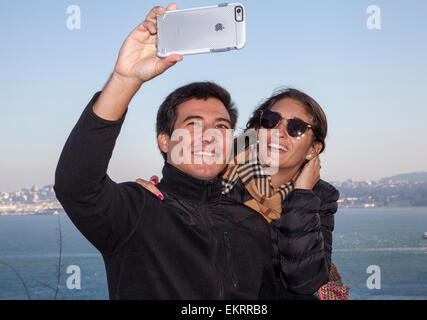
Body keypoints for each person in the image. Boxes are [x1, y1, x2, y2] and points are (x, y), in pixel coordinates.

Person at [54, 4, 276, 300]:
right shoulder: (136, 211)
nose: (210, 137)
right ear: (164, 141)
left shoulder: (252, 224)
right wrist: (126, 80)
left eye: (221, 127)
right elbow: (76, 185)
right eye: (193, 125)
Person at [137, 88, 347, 300]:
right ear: (258, 130)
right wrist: (152, 191)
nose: (279, 132)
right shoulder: (217, 171)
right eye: (271, 120)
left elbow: (304, 281)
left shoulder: (319, 197)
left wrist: (301, 196)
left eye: (296, 127)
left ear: (313, 149)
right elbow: (179, 189)